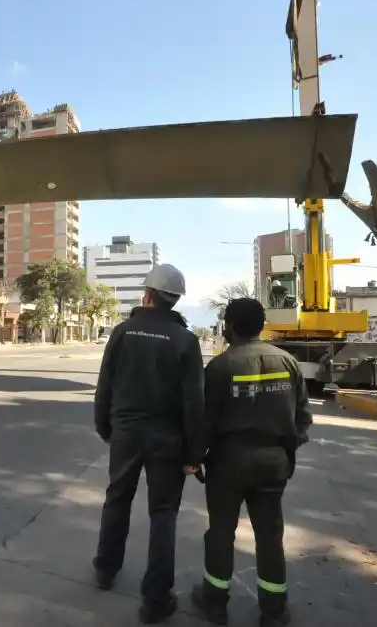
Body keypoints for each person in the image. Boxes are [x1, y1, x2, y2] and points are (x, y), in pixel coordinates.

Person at [92, 263, 207, 624]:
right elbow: (194, 402)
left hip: (126, 433)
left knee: (117, 498)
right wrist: (194, 453)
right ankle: (156, 599)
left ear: (147, 294)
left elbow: (105, 385)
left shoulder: (123, 332)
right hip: (168, 439)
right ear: (173, 301)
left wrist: (104, 426)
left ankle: (106, 569)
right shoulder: (186, 340)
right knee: (163, 514)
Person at [191, 297, 313, 627]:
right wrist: (286, 451)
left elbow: (205, 422)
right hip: (273, 463)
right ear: (261, 325)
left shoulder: (219, 368)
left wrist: (193, 459)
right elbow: (303, 419)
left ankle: (214, 602)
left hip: (227, 463)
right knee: (270, 535)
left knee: (220, 533)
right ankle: (274, 611)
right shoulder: (288, 363)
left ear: (229, 326)